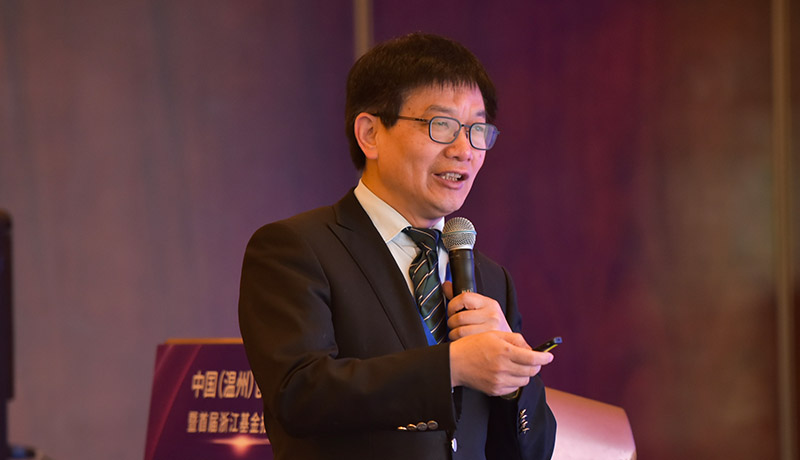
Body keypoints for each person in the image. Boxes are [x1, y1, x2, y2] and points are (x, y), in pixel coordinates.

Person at [238, 32, 556, 460]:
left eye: (477, 130)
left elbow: (530, 451)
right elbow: (299, 395)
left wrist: (513, 375)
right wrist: (452, 366)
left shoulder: (490, 277)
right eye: (442, 125)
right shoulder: (296, 249)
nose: (464, 150)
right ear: (370, 133)